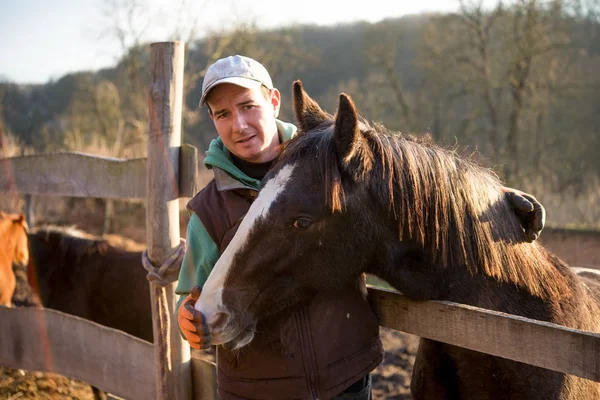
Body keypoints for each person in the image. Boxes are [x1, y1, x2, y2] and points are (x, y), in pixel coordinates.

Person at [175, 55, 546, 400]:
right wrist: (187, 319)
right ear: (212, 120)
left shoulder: (323, 163)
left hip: (344, 378)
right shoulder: (208, 209)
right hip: (258, 389)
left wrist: (488, 197)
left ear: (273, 101)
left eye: (247, 106)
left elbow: (402, 181)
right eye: (222, 114)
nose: (238, 124)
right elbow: (189, 295)